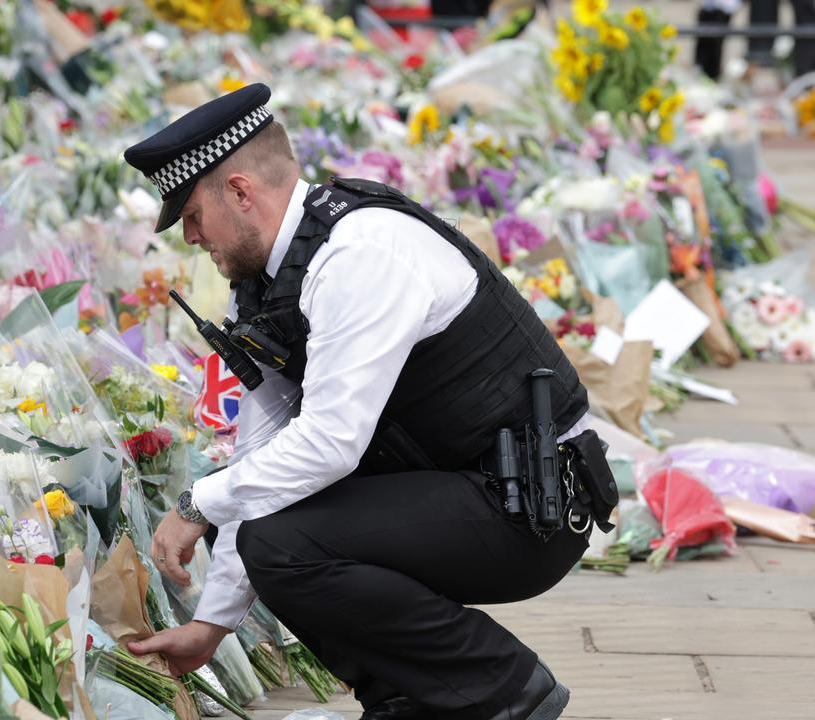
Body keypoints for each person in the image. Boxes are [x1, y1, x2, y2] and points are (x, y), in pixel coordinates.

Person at [120, 84, 618, 720]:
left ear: (241, 193)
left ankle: (497, 687)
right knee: (276, 534)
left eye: (191, 214)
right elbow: (265, 444)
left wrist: (199, 503)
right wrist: (212, 624)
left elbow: (331, 442)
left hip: (534, 508)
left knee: (285, 544)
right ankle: (411, 701)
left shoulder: (358, 255)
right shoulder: (270, 282)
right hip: (474, 486)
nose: (190, 236)